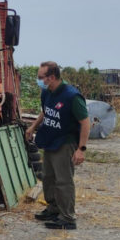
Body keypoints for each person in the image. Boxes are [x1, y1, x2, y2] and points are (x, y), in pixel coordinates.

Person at [25, 61, 90, 230]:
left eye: (41, 77)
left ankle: (67, 218)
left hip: (65, 142)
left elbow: (85, 122)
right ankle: (53, 209)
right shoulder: (47, 92)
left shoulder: (71, 96)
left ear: (51, 77)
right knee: (48, 177)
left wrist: (81, 149)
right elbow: (46, 111)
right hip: (50, 141)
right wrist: (33, 126)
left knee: (63, 181)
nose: (38, 80)